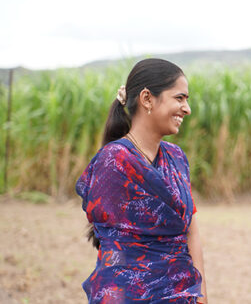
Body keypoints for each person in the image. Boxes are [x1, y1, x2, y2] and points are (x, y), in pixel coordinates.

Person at [75, 58, 208, 303]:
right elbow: (114, 244)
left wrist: (200, 294)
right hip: (128, 295)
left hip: (182, 292)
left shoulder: (177, 158)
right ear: (147, 99)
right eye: (179, 98)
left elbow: (191, 228)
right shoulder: (113, 161)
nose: (187, 108)